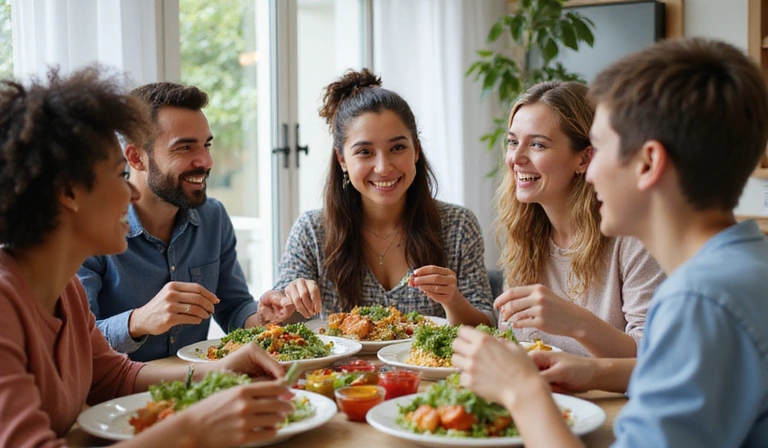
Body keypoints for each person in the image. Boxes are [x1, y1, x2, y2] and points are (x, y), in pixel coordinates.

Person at [452, 37, 768, 447]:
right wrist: (596, 372)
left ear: (648, 163)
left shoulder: (698, 302)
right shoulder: (748, 265)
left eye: (598, 149)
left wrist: (521, 390)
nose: (592, 169)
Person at [0, 66, 294, 448]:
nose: (132, 194)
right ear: (68, 192)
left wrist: (220, 370)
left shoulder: (66, 291)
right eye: (120, 174)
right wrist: (192, 428)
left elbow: (113, 379)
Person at [260, 69, 494, 325]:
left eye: (397, 148)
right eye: (364, 152)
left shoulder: (458, 226)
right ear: (342, 160)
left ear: (416, 150)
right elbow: (279, 316)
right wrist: (287, 301)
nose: (383, 167)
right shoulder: (312, 232)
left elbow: (486, 328)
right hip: (339, 367)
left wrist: (452, 300)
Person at [78, 82, 288, 362]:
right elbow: (75, 341)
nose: (206, 160)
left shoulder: (213, 217)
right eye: (185, 147)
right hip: (117, 400)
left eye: (206, 145)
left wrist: (262, 316)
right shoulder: (89, 230)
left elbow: (234, 307)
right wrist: (137, 322)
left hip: (193, 388)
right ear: (136, 157)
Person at [494, 81, 664, 357]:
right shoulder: (523, 233)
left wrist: (576, 323)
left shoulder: (632, 236)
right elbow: (510, 339)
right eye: (513, 142)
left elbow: (653, 356)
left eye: (537, 144)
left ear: (585, 159)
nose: (515, 158)